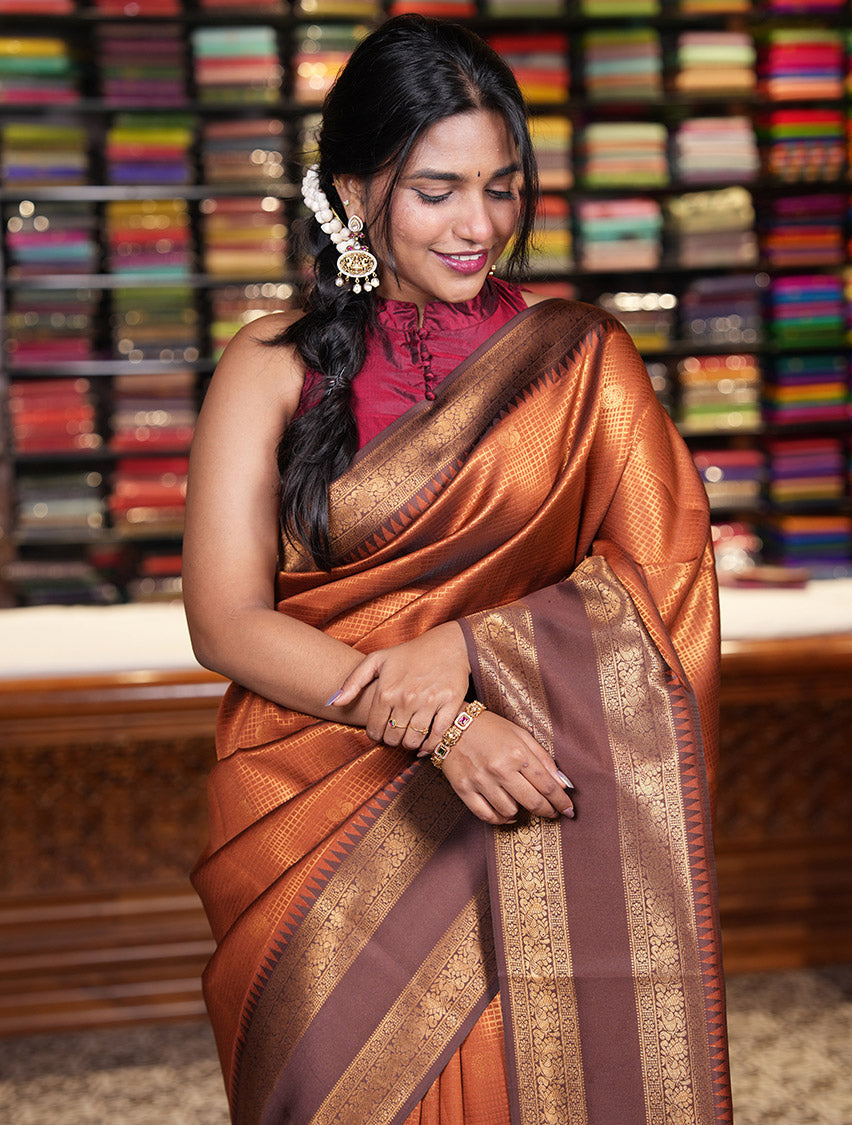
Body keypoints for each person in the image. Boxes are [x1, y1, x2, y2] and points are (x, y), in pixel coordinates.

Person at [184, 14, 731, 1125]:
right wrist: (437, 722)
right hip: (318, 796)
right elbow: (225, 621)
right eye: (436, 190)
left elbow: (664, 580)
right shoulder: (269, 363)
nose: (479, 224)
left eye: (503, 185)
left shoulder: (581, 359)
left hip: (535, 784)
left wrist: (471, 651)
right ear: (352, 186)